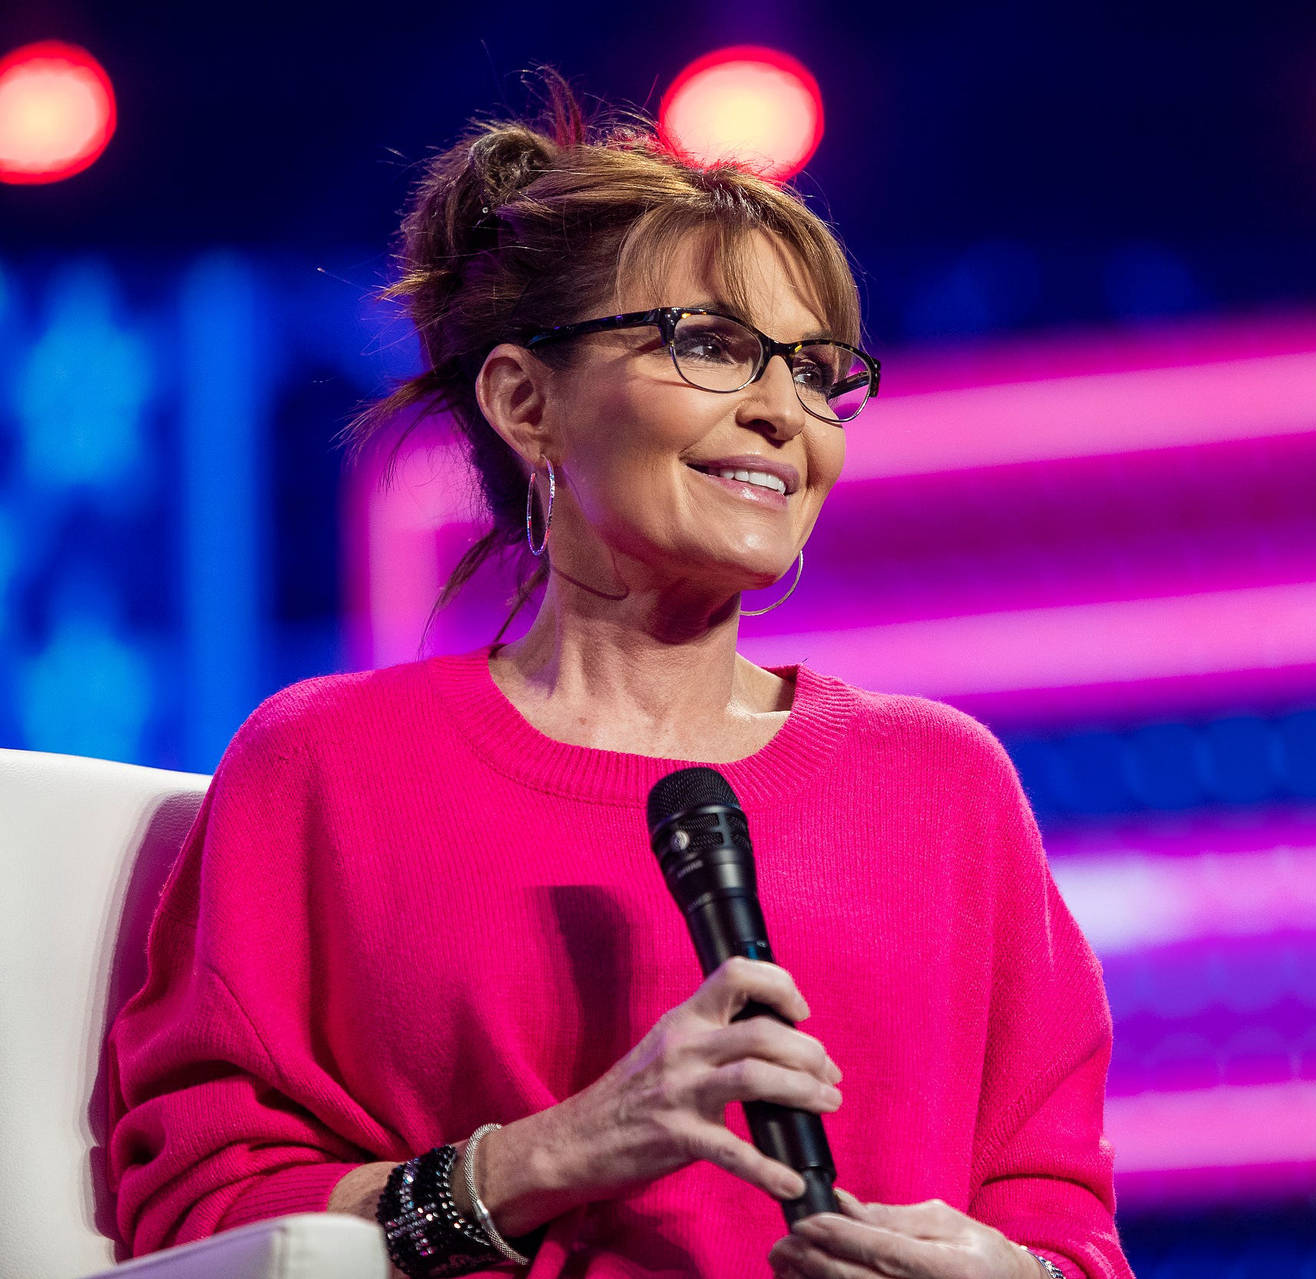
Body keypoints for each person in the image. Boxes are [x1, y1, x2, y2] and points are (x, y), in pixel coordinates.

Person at [102, 68, 1132, 1279]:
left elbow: (1065, 1223)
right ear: (525, 401)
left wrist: (1011, 1273)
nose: (782, 414)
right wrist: (558, 1149)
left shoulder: (942, 782)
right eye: (711, 346)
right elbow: (200, 1216)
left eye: (816, 372)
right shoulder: (329, 765)